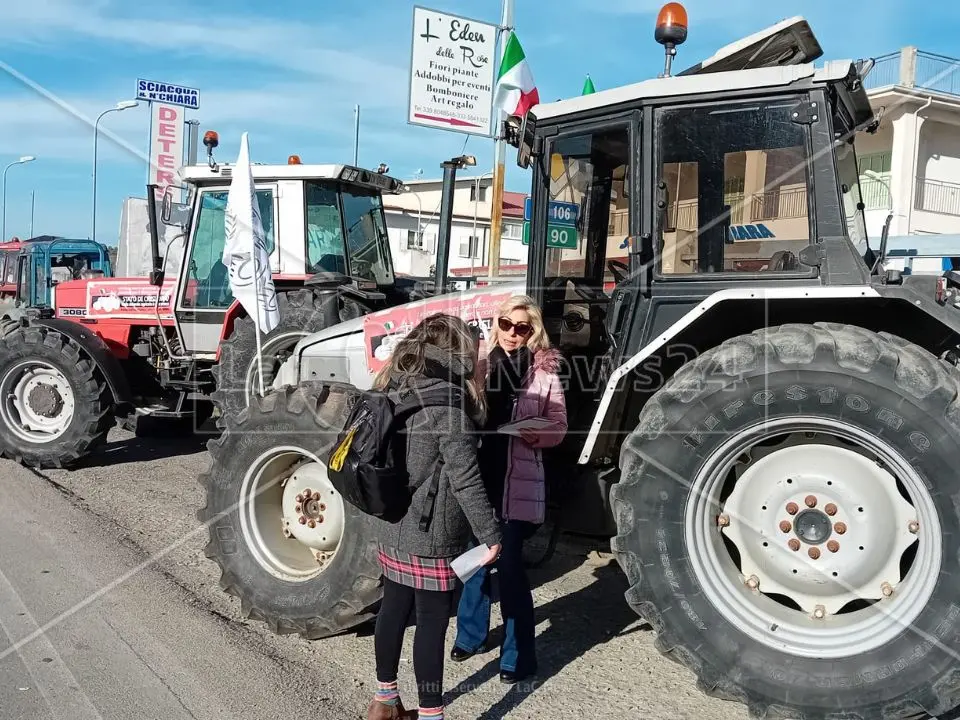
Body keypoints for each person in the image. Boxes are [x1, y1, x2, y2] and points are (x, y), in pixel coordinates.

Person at [367, 313, 503, 720]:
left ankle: (384, 701)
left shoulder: (394, 384)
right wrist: (490, 535)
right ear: (458, 353)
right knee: (430, 623)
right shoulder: (448, 405)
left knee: (392, 609)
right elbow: (466, 480)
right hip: (432, 533)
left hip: (392, 523)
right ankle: (431, 714)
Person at [451, 294, 567, 684]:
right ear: (496, 324)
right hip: (480, 476)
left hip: (517, 478)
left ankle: (518, 657)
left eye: (522, 328)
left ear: (533, 331)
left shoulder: (545, 372)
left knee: (512, 569)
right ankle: (470, 636)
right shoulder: (479, 365)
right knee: (475, 562)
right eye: (506, 325)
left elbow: (560, 425)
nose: (513, 335)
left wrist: (538, 435)